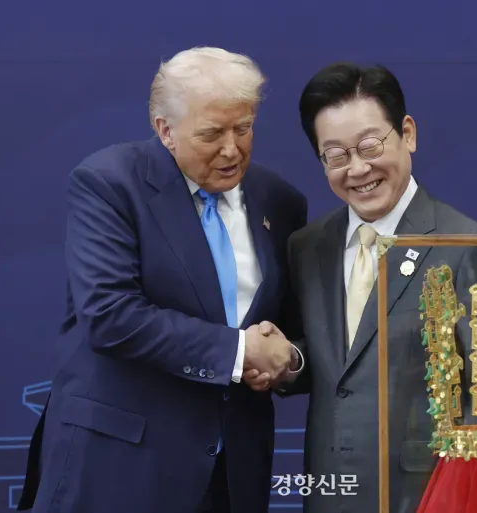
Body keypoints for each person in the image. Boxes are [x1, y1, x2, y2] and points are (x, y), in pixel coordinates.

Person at [17, 47, 307, 513]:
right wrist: (239, 352)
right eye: (212, 133)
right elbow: (111, 315)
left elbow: (287, 329)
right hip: (120, 468)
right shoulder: (109, 184)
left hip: (232, 476)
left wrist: (287, 358)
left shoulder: (280, 201)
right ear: (165, 130)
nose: (232, 149)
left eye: (244, 128)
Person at [243, 63, 477, 513]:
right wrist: (288, 361)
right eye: (336, 155)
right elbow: (334, 364)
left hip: (427, 496)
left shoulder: (467, 247)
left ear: (407, 133)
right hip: (330, 492)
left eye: (370, 145)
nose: (358, 168)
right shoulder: (308, 246)